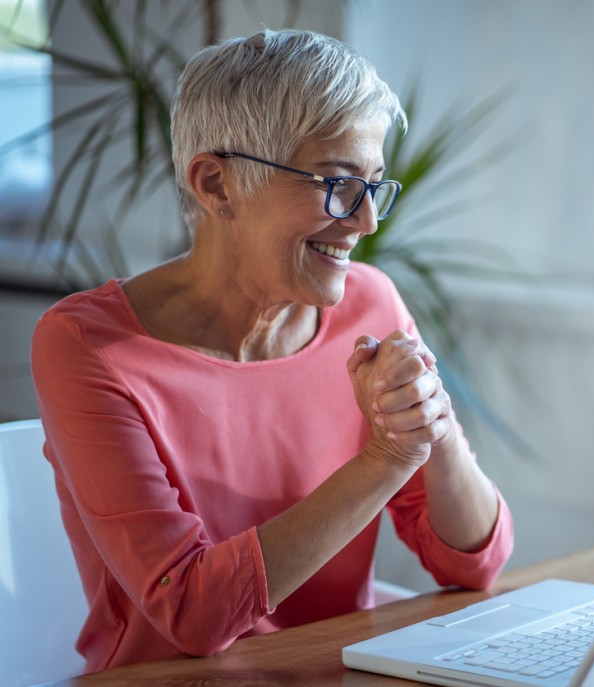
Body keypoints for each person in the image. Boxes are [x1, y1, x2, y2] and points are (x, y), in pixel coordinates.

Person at [30, 29, 513, 673]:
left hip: (335, 670)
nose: (367, 222)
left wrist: (436, 427)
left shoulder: (370, 303)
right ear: (218, 185)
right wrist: (386, 456)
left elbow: (474, 560)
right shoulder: (89, 345)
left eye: (374, 185)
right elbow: (192, 614)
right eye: (339, 183)